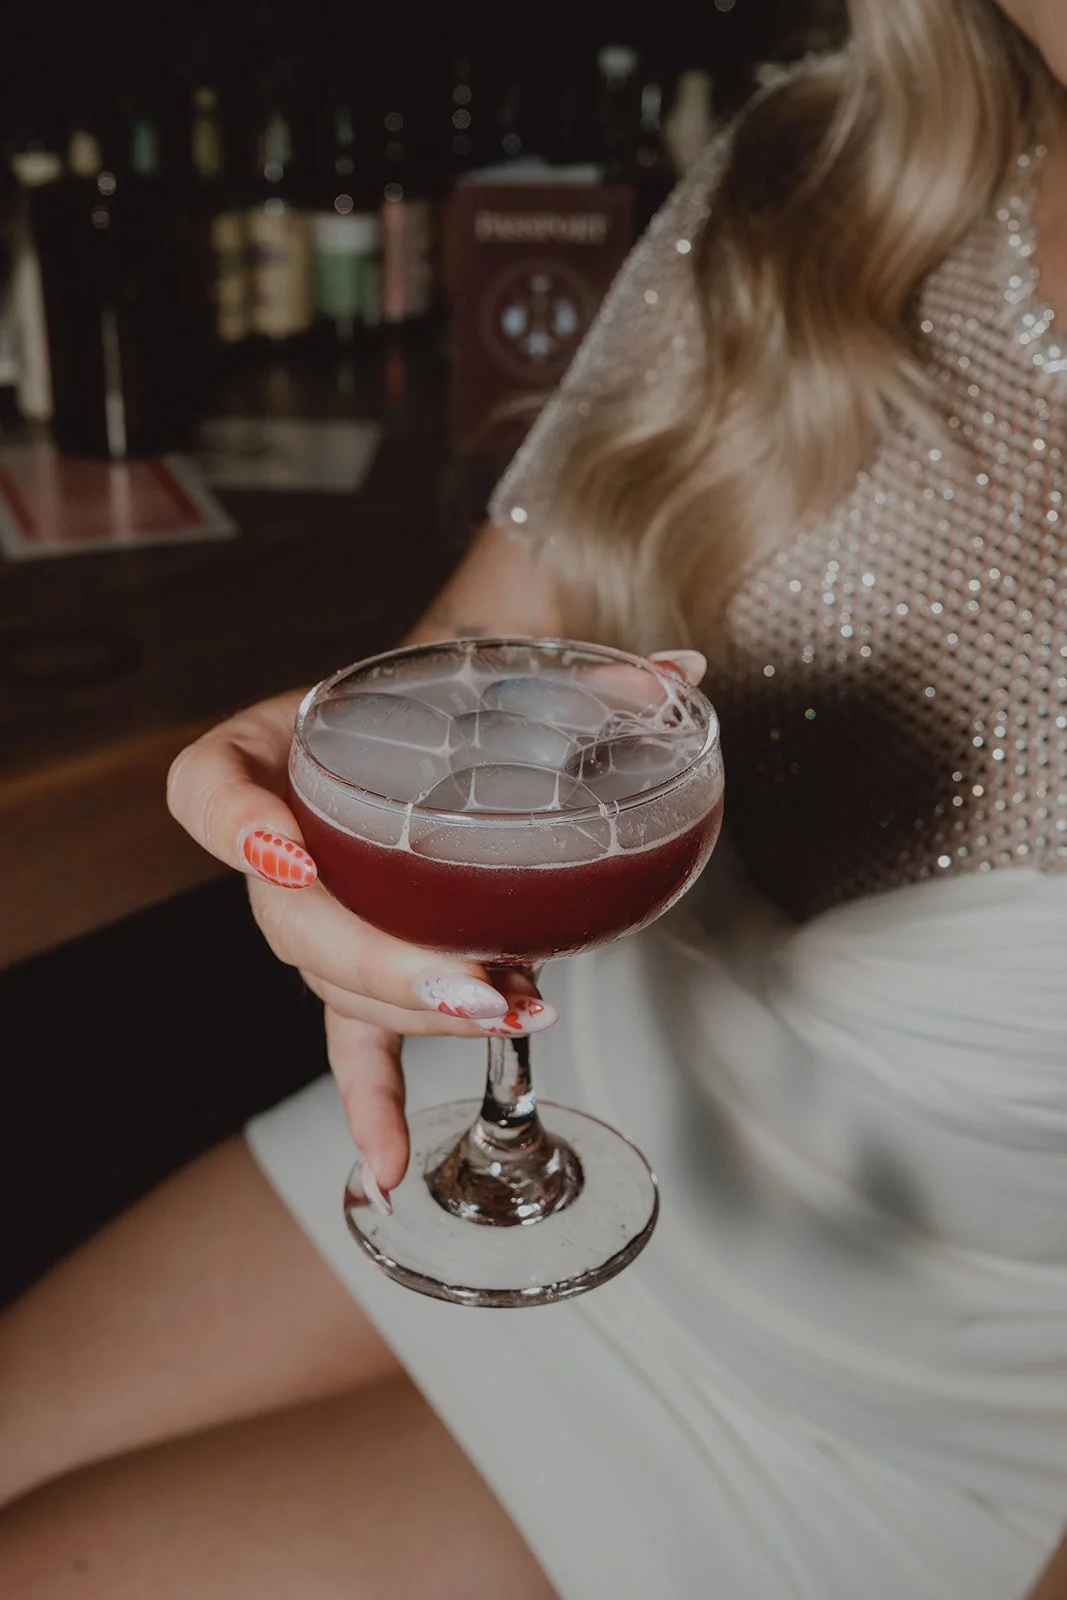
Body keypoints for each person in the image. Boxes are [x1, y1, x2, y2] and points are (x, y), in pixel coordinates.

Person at [4, 1, 1067, 1593]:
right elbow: (470, 670)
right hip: (536, 1115)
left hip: (901, 1421)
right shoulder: (817, 179)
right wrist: (334, 822)